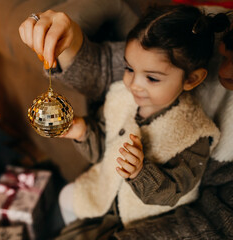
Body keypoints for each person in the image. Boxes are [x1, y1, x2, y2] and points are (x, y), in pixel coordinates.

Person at [19, 4, 233, 240]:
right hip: (103, 193)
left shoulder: (195, 133)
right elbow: (103, 146)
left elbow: (174, 192)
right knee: (67, 197)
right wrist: (82, 131)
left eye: (152, 78)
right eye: (129, 68)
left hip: (146, 215)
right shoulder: (121, 97)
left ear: (192, 79)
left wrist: (141, 172)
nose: (134, 84)